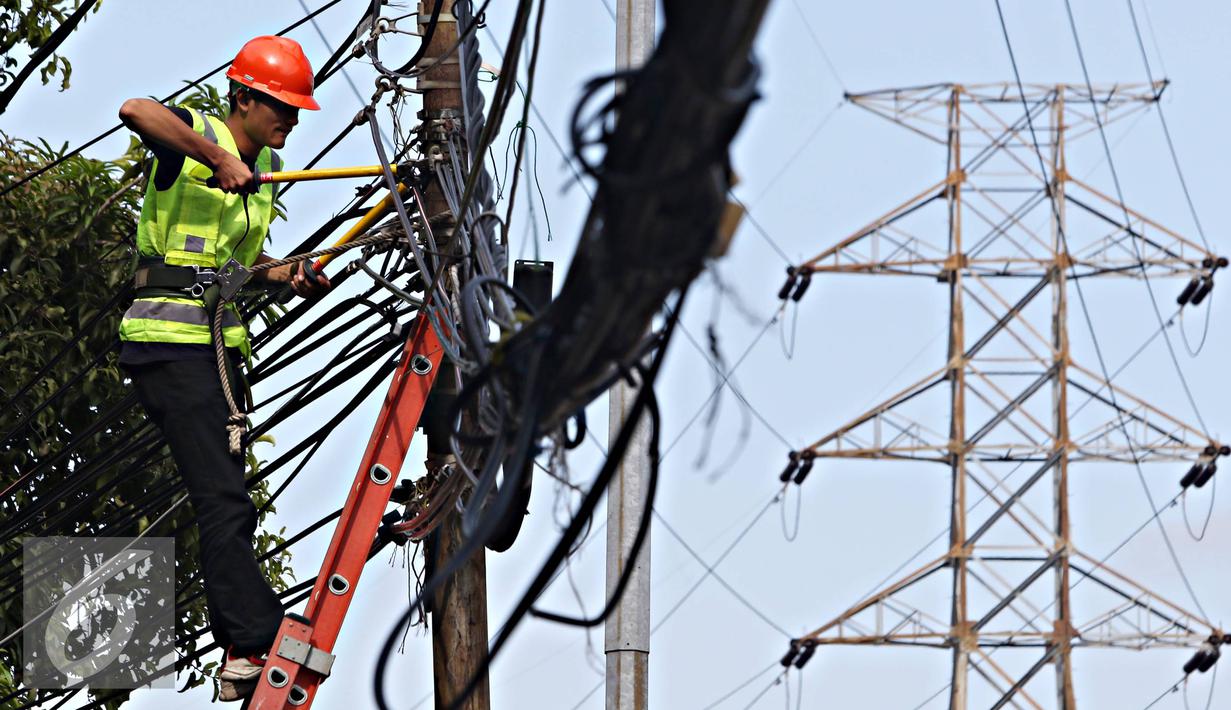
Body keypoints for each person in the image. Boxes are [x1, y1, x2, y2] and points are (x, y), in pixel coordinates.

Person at [117, 35, 329, 702]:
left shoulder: (260, 174)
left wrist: (286, 274)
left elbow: (238, 269)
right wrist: (214, 157)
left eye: (296, 112)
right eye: (281, 109)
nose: (289, 122)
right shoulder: (196, 139)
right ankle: (250, 635)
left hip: (215, 353)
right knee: (224, 499)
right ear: (242, 98)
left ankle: (241, 647)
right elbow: (133, 109)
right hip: (168, 347)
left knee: (227, 501)